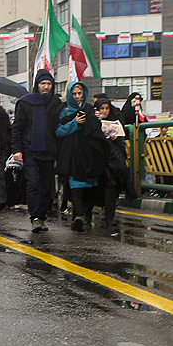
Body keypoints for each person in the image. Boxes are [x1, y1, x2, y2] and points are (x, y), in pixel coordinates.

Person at [11, 69, 64, 232]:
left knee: (47, 187)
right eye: (42, 83)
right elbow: (17, 128)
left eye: (49, 84)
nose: (46, 87)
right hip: (30, 150)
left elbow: (60, 126)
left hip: (49, 150)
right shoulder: (25, 102)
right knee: (33, 183)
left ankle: (41, 216)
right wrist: (17, 150)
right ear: (36, 85)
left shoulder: (56, 103)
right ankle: (34, 217)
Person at [56, 80, 109, 232]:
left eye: (79, 93)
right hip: (72, 153)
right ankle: (78, 215)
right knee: (75, 184)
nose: (77, 96)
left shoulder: (90, 109)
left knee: (92, 186)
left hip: (89, 154)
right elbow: (58, 131)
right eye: (74, 94)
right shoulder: (64, 110)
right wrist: (75, 123)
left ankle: (85, 213)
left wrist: (96, 120)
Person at [95, 97, 130, 226]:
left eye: (107, 108)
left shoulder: (115, 120)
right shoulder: (93, 120)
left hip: (112, 161)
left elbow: (121, 142)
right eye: (102, 108)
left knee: (112, 186)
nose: (105, 111)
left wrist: (115, 138)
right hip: (98, 160)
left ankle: (109, 217)